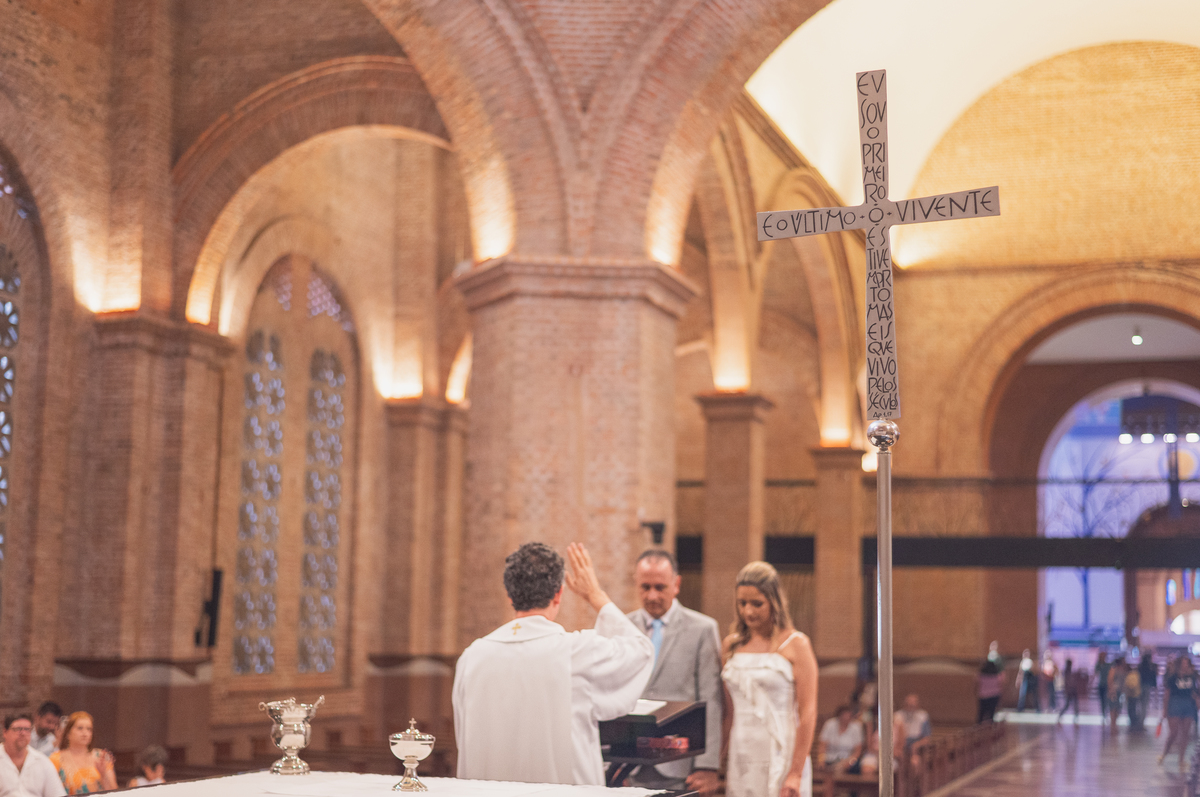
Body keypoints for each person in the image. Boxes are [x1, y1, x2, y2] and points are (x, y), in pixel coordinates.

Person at [453, 542, 653, 786]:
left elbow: (464, 736)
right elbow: (641, 651)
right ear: (559, 593)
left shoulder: (472, 657)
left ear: (509, 595)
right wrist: (595, 595)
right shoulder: (576, 652)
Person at [626, 550, 722, 795]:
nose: (652, 595)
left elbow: (711, 701)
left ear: (676, 584)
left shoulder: (702, 629)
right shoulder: (622, 628)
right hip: (628, 763)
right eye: (645, 587)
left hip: (681, 763)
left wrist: (708, 765)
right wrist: (610, 761)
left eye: (660, 587)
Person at [722, 561, 817, 797]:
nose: (748, 611)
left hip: (781, 750)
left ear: (774, 601)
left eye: (757, 603)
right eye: (742, 603)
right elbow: (728, 711)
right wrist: (717, 762)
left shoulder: (796, 644)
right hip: (742, 751)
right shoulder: (731, 645)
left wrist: (796, 772)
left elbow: (808, 713)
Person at [47, 713, 115, 795]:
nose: (85, 733)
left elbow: (115, 793)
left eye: (89, 729)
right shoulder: (55, 759)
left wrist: (103, 775)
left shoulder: (101, 756)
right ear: (68, 733)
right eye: (80, 728)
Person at [0, 713, 66, 797]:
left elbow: (57, 794)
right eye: (18, 729)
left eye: (27, 729)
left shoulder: (42, 762)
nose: (23, 733)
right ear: (5, 732)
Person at [1159, 656, 1199, 772]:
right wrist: (1165, 710)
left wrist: (1196, 700)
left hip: (1188, 704)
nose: (1185, 666)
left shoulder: (1192, 677)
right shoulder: (1172, 678)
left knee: (1185, 733)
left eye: (1187, 664)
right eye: (1183, 663)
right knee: (1174, 732)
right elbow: (1167, 694)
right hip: (1175, 703)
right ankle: (1165, 753)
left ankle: (1181, 759)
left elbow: (1194, 691)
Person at [817, 706, 864, 772]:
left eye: (848, 716)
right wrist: (821, 760)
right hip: (830, 759)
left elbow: (858, 750)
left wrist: (849, 762)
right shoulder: (829, 724)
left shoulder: (856, 727)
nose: (846, 718)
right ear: (839, 716)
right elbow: (822, 745)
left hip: (848, 760)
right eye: (844, 716)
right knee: (826, 769)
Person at [977, 659, 1004, 723]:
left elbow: (977, 684)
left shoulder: (981, 675)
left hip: (983, 696)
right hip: (994, 695)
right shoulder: (997, 676)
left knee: (981, 713)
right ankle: (990, 728)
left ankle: (979, 727)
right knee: (991, 714)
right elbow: (1000, 685)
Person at [1107, 659, 1129, 732]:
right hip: (1114, 691)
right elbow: (1110, 680)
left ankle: (1115, 723)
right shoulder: (1113, 670)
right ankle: (1113, 724)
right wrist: (1111, 691)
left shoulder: (1123, 671)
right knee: (1113, 707)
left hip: (1120, 692)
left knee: (1118, 708)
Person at [1139, 651, 1158, 731]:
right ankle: (1141, 722)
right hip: (1146, 687)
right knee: (1144, 706)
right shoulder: (1150, 667)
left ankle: (1139, 722)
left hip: (1140, 687)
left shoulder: (1141, 666)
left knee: (1141, 706)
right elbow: (1153, 678)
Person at [1095, 651, 1111, 716]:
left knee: (1106, 700)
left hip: (1106, 685)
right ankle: (1103, 713)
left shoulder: (1107, 665)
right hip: (1101, 685)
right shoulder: (1098, 665)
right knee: (1102, 700)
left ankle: (1106, 712)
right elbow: (1096, 672)